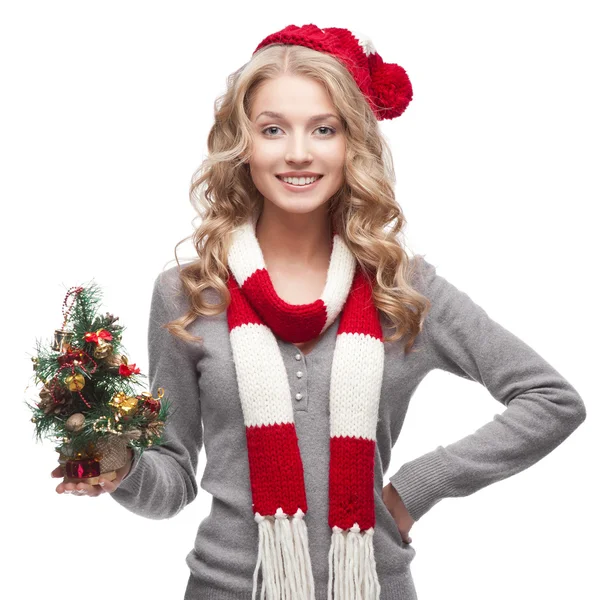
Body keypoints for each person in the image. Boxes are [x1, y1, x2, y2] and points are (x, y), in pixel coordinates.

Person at [52, 23, 587, 600]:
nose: (299, 152)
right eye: (273, 129)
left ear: (350, 143)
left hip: (374, 586)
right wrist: (122, 464)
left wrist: (416, 488)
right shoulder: (189, 294)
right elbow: (175, 479)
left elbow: (551, 401)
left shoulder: (401, 290)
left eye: (323, 129)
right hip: (227, 588)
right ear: (243, 144)